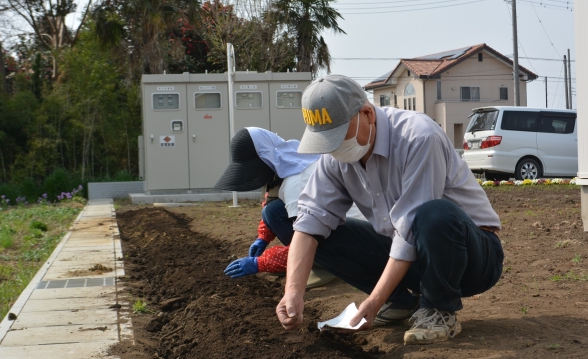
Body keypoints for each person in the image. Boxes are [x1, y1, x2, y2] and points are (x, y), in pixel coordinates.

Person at [275, 75, 504, 344]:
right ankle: (400, 303)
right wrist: (293, 292)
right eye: (326, 140)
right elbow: (311, 219)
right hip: (411, 258)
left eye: (338, 135)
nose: (333, 148)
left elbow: (409, 230)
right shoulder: (335, 159)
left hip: (469, 257)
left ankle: (439, 309)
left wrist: (373, 301)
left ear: (368, 114)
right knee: (286, 219)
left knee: (433, 214)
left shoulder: (418, 136)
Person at [214, 127, 367, 288]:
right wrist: (263, 238)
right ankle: (320, 261)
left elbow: (308, 239)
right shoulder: (295, 162)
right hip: (347, 228)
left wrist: (261, 263)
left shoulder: (296, 182)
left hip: (355, 244)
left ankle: (328, 266)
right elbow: (274, 206)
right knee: (272, 211)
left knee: (274, 212)